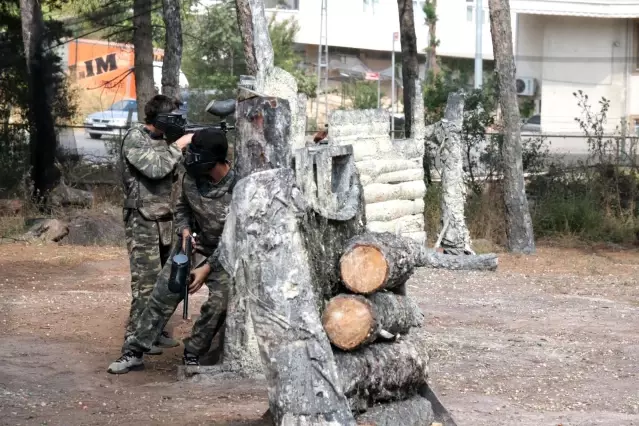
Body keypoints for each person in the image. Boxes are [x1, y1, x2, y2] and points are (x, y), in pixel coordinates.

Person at [108, 127, 235, 374]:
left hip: (226, 254)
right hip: (193, 246)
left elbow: (234, 238)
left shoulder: (239, 188)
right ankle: (134, 351)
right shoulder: (191, 178)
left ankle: (193, 352)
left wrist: (207, 269)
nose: (189, 159)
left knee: (220, 301)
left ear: (214, 160)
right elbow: (182, 209)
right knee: (162, 295)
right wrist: (185, 232)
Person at [120, 94, 193, 355]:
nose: (177, 123)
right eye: (172, 118)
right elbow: (155, 169)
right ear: (161, 119)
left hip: (165, 219)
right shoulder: (135, 138)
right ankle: (133, 340)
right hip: (142, 220)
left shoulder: (163, 140)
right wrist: (179, 145)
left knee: (166, 281)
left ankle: (155, 330)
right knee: (146, 284)